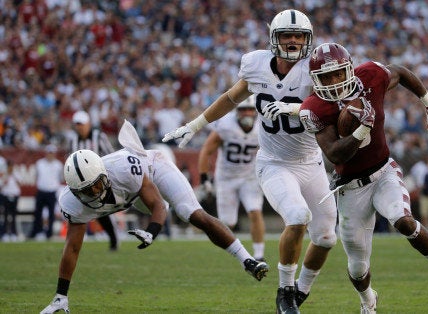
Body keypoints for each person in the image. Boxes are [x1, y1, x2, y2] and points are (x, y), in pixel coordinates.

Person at [163, 10, 337, 314]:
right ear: (274, 39)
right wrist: (195, 124)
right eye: (287, 35)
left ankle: (300, 292)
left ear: (308, 39)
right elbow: (231, 98)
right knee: (297, 216)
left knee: (325, 237)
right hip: (274, 162)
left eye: (299, 36)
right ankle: (284, 290)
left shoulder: (315, 69)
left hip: (311, 162)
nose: (294, 41)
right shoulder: (256, 65)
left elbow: (334, 108)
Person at [299, 42, 428, 313]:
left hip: (384, 172)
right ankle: (368, 299)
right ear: (316, 79)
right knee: (358, 266)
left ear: (349, 69)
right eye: (326, 77)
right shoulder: (313, 107)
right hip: (351, 187)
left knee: (402, 220)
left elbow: (401, 72)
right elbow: (335, 155)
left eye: (338, 74)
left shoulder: (370, 75)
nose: (334, 81)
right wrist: (361, 130)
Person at [40, 122, 268, 314]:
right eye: (85, 191)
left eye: (96, 185)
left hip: (152, 170)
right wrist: (61, 294)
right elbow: (72, 248)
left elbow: (158, 205)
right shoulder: (71, 202)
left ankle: (248, 260)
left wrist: (152, 231)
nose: (93, 193)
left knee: (191, 213)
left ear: (104, 174)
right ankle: (61, 300)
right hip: (129, 196)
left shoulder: (123, 169)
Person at [198, 95, 266, 261]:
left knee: (255, 211)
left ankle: (259, 255)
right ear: (237, 112)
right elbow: (206, 150)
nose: (247, 113)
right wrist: (204, 178)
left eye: (250, 110)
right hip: (226, 178)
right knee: (228, 223)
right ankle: (237, 252)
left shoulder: (262, 127)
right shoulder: (226, 126)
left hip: (249, 176)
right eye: (243, 110)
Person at [68, 110, 119, 251]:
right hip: (80, 184)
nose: (79, 127)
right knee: (74, 212)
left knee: (103, 212)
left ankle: (114, 240)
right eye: (77, 124)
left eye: (81, 124)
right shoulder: (73, 140)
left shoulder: (99, 137)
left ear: (89, 124)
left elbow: (111, 155)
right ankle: (71, 244)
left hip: (99, 182)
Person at [29, 144, 64, 240]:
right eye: (49, 153)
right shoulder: (39, 163)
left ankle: (49, 233)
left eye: (52, 153)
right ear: (46, 153)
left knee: (51, 214)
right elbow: (36, 176)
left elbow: (61, 178)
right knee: (38, 213)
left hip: (52, 192)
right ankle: (37, 232)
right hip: (41, 191)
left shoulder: (58, 165)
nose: (50, 155)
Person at [1, 160, 20, 242]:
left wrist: (13, 175)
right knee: (5, 215)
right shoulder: (3, 174)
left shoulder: (16, 173)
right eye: (9, 166)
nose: (10, 168)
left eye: (11, 166)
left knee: (13, 216)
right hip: (5, 196)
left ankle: (13, 233)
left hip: (15, 196)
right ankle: (4, 233)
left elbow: (20, 182)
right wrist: (7, 176)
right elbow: (1, 185)